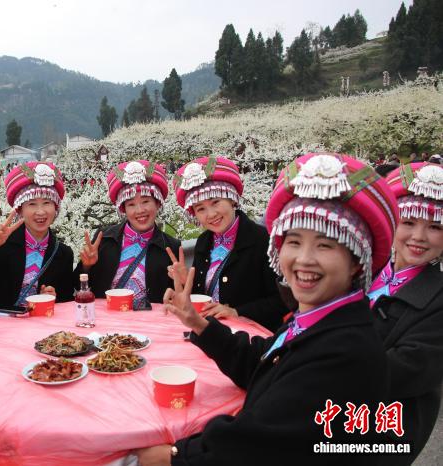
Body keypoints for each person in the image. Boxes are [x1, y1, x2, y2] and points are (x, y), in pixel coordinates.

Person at [137, 152, 398, 465]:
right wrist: (199, 323)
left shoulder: (345, 352)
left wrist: (176, 456)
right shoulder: (316, 323)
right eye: (294, 242)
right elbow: (262, 361)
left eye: (325, 245)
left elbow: (258, 444)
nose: (304, 259)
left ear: (357, 261)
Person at [367, 162, 443, 464]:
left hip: (383, 432)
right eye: (408, 222)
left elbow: (404, 370)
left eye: (435, 227)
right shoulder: (364, 271)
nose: (419, 236)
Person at [169, 156, 285, 331]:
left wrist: (236, 312)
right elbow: (202, 298)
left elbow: (281, 301)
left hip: (252, 337)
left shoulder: (263, 240)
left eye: (215, 202)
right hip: (210, 332)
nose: (211, 214)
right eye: (200, 209)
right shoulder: (203, 242)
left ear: (232, 198)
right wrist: (186, 284)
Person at [76, 160, 181, 307]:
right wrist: (86, 267)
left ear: (158, 203)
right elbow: (77, 288)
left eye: (145, 201)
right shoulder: (104, 238)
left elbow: (177, 297)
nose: (140, 210)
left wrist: (181, 282)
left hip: (149, 319)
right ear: (123, 208)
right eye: (131, 204)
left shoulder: (171, 247)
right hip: (107, 317)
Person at [0, 161, 74, 311]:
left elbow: (67, 301)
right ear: (19, 210)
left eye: (47, 203)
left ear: (56, 207)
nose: (40, 211)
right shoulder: (1, 242)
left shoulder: (63, 253)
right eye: (32, 204)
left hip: (38, 323)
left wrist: (52, 297)